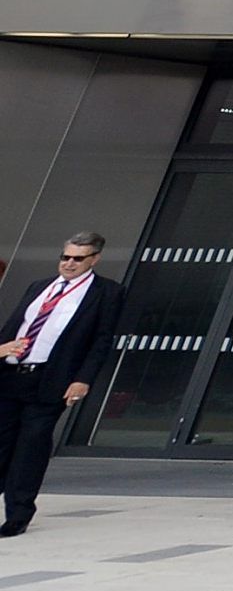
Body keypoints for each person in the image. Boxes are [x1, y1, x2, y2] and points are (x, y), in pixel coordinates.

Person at [0, 228, 124, 538]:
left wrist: (83, 379)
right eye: (65, 257)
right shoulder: (39, 287)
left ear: (94, 259)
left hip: (50, 379)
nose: (69, 264)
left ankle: (18, 513)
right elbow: (17, 325)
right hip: (11, 374)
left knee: (32, 444)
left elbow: (101, 340)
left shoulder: (106, 293)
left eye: (78, 259)